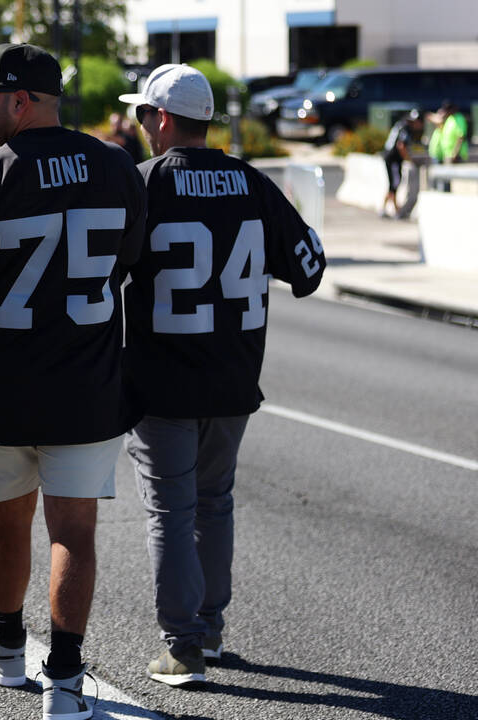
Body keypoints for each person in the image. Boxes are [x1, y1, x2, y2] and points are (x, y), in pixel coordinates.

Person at [0, 43, 146, 720]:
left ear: (19, 100)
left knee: (7, 518)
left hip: (3, 384)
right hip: (87, 384)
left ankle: (9, 644)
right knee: (74, 528)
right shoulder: (117, 167)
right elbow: (121, 263)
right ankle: (67, 681)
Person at [118, 64, 326, 687]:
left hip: (161, 383)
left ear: (160, 118)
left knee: (172, 512)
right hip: (234, 378)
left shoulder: (143, 183)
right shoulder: (252, 183)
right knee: (215, 503)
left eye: (142, 115)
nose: (141, 127)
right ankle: (208, 624)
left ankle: (183, 644)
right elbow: (310, 268)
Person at [381, 109, 423, 218]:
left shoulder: (400, 125)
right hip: (393, 159)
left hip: (391, 157)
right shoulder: (406, 128)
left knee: (393, 184)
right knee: (394, 183)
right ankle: (393, 209)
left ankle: (389, 208)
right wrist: (409, 159)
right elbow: (401, 146)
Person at [434, 100, 469, 164]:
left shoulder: (459, 118)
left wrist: (455, 153)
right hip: (448, 155)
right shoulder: (450, 119)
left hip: (457, 156)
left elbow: (460, 137)